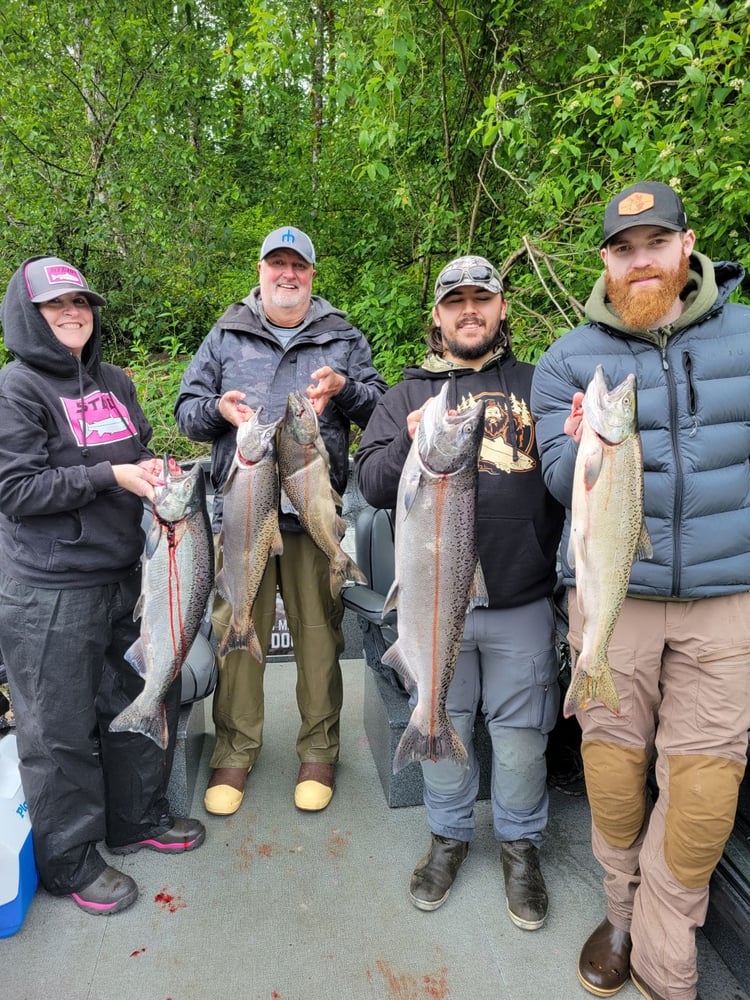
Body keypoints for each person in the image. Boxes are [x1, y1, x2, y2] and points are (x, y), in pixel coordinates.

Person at [531, 181, 750, 1000]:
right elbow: (560, 481)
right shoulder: (566, 359)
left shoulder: (746, 333)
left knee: (702, 793)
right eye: (624, 250)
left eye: (655, 243)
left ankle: (664, 953)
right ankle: (620, 912)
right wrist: (581, 444)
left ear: (687, 246)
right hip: (610, 598)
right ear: (605, 263)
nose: (641, 261)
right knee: (616, 775)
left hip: (729, 606)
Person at [355, 255, 564, 929]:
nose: (469, 310)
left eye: (483, 298)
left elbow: (569, 480)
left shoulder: (540, 385)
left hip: (522, 601)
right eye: (456, 301)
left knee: (523, 737)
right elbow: (372, 483)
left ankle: (521, 847)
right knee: (435, 719)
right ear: (438, 317)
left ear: (502, 308)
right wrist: (407, 447)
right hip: (427, 610)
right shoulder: (405, 397)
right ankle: (447, 837)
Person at [0, 256, 206, 916]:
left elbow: (135, 452)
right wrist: (111, 477)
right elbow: (16, 489)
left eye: (81, 303)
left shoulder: (115, 380)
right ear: (26, 317)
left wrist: (151, 471)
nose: (72, 313)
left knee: (140, 696)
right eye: (55, 305)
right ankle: (71, 859)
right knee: (57, 729)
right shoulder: (16, 388)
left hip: (129, 576)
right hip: (49, 589)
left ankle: (137, 816)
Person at [174, 226, 386, 815]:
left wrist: (344, 390)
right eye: (277, 264)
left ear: (311, 274)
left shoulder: (341, 334)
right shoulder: (226, 332)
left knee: (320, 634)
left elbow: (380, 404)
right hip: (243, 511)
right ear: (261, 270)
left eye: (298, 265)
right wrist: (217, 409)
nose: (287, 274)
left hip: (314, 515)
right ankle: (234, 752)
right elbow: (186, 412)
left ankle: (319, 749)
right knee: (236, 631)